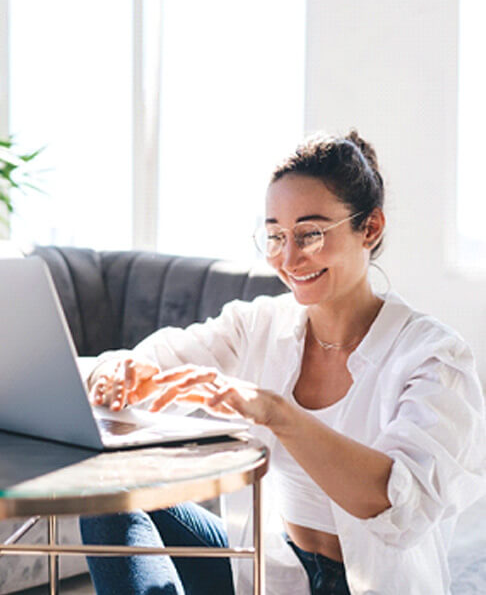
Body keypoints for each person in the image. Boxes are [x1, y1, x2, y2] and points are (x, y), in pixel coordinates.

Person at [80, 130, 486, 595]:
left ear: (369, 228)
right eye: (275, 236)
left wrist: (277, 412)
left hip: (360, 586)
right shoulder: (259, 324)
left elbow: (395, 504)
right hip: (273, 570)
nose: (289, 258)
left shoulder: (434, 356)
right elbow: (148, 361)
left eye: (310, 234)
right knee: (106, 498)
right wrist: (115, 371)